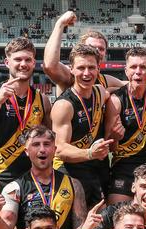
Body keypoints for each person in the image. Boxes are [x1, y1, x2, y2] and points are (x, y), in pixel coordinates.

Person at [0, 37, 52, 225]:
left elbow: (49, 138)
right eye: (18, 59)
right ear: (7, 62)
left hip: (31, 176)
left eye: (28, 60)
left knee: (32, 228)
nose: (23, 64)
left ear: (34, 63)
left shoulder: (42, 100)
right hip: (1, 174)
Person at [51, 44, 118, 208]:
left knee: (101, 223)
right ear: (71, 69)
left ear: (98, 69)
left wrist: (114, 123)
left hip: (96, 167)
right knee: (78, 224)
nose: (87, 73)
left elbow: (115, 94)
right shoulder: (64, 105)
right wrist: (89, 153)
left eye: (91, 67)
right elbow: (59, 149)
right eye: (81, 68)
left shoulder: (100, 91)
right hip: (71, 171)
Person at [107, 47, 146, 205]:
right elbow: (111, 148)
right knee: (118, 220)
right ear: (126, 71)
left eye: (143, 67)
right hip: (123, 166)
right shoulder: (115, 100)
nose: (138, 71)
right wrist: (114, 137)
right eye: (133, 67)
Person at [43, 11, 123, 94]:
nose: (97, 51)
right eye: (91, 47)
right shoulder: (72, 74)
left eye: (101, 49)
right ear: (81, 49)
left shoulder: (104, 80)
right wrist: (60, 24)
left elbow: (129, 85)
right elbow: (50, 66)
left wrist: (108, 91)